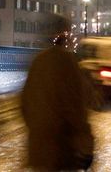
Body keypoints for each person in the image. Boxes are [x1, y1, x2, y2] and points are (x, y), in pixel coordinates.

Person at [21, 32, 94, 171]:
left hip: (41, 143)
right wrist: (85, 145)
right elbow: (77, 108)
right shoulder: (71, 65)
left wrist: (35, 127)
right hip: (65, 146)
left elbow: (25, 102)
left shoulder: (39, 61)